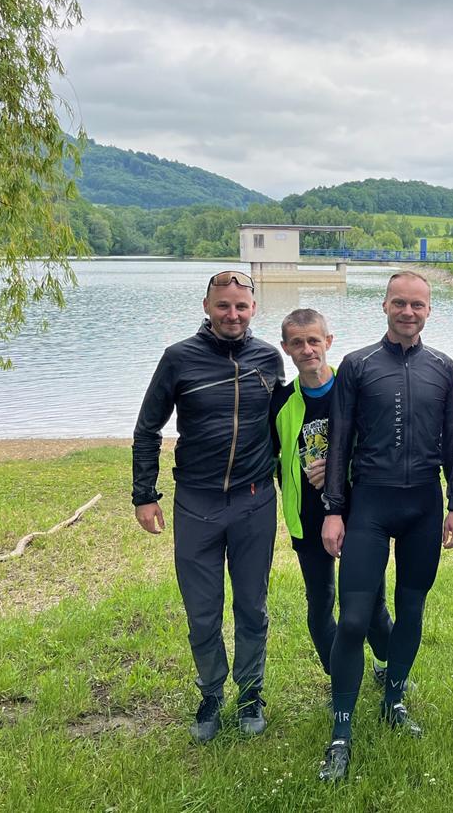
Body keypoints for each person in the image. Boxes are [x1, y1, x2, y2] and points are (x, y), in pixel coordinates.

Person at [317, 271, 453, 782]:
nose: (408, 312)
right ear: (384, 306)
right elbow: (339, 441)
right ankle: (341, 731)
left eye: (417, 305)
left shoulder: (443, 368)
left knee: (411, 608)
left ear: (429, 311)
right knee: (354, 618)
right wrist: (333, 509)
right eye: (399, 303)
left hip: (423, 503)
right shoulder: (357, 365)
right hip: (370, 506)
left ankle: (394, 700)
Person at [131, 270, 282, 743]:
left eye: (241, 306)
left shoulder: (269, 358)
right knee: (202, 611)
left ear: (253, 308)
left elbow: (283, 428)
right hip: (197, 503)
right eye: (223, 306)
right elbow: (148, 428)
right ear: (206, 307)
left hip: (255, 501)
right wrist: (144, 494)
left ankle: (251, 693)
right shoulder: (178, 358)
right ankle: (212, 693)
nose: (232, 315)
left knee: (252, 606)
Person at [269, 308, 393, 686]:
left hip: (360, 513)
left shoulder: (355, 389)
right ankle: (339, 675)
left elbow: (381, 446)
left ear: (328, 341)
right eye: (297, 343)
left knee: (371, 602)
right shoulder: (280, 401)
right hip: (308, 516)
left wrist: (341, 465)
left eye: (313, 340)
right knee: (320, 603)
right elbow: (270, 456)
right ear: (286, 348)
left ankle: (389, 668)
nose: (307, 349)